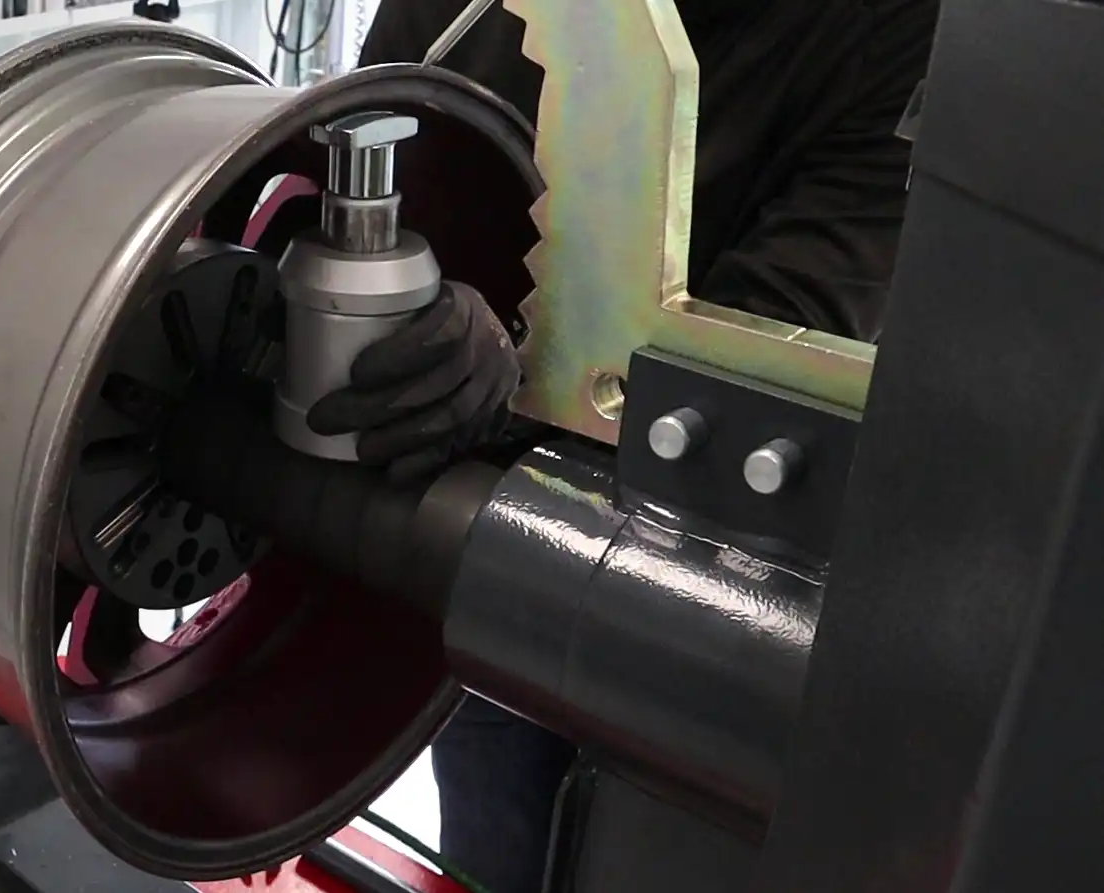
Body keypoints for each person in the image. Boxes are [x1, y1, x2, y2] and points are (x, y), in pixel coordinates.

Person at [294, 2, 940, 893]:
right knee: (491, 818)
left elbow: (771, 346)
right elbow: (336, 159)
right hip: (453, 544)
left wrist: (517, 370)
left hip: (671, 567)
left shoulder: (894, 35)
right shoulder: (458, 15)